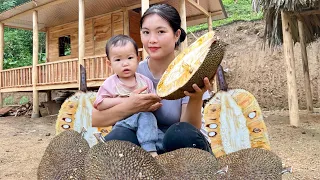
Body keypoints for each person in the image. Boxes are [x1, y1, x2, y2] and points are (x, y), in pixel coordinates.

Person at [92, 3, 213, 155]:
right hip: (148, 146)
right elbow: (96, 118)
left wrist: (195, 99)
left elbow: (189, 128)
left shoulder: (189, 72)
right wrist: (131, 105)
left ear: (176, 35)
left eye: (161, 32)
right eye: (146, 32)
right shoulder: (133, 71)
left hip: (186, 145)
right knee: (118, 136)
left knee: (179, 133)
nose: (152, 40)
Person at [93, 34, 160, 157]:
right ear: (109, 63)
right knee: (144, 116)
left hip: (146, 126)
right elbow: (99, 103)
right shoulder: (110, 83)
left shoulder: (145, 81)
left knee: (155, 128)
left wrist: (151, 105)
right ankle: (150, 151)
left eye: (129, 58)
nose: (125, 64)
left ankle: (156, 150)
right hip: (123, 124)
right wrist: (125, 101)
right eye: (118, 60)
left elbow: (155, 100)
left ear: (138, 58)